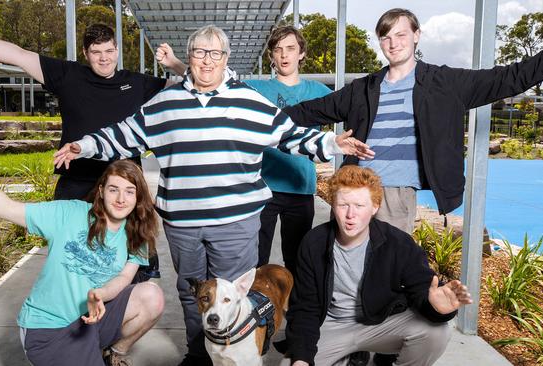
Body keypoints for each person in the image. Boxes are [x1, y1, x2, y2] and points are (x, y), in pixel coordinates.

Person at [54, 25, 374, 366]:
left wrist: (330, 143)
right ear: (189, 56)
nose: (207, 61)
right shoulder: (164, 103)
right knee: (192, 294)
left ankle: (236, 355)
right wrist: (83, 145)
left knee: (234, 296)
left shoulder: (250, 101)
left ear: (226, 58)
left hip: (235, 224)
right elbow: (123, 135)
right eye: (200, 52)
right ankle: (198, 354)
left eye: (215, 53)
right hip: (183, 224)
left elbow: (290, 135)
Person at [281, 8, 543, 235]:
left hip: (395, 194)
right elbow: (310, 111)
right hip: (355, 188)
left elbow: (511, 77)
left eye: (401, 34)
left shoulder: (444, 83)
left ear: (417, 35)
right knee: (342, 266)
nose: (393, 43)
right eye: (386, 37)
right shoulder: (363, 89)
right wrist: (258, 117)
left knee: (385, 271)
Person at [0, 17, 173, 280]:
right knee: (70, 252)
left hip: (125, 182)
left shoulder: (137, 83)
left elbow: (186, 87)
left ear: (117, 51)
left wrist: (174, 63)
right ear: (86, 54)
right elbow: (18, 55)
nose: (104, 58)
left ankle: (129, 300)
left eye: (109, 51)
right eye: (96, 52)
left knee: (134, 255)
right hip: (77, 178)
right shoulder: (68, 75)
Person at [0, 138, 164, 366]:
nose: (121, 199)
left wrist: (101, 294)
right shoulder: (69, 214)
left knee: (151, 296)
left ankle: (114, 353)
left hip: (93, 318)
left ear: (138, 196)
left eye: (129, 191)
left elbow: (124, 277)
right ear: (101, 191)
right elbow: (7, 207)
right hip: (48, 329)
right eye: (114, 189)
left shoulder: (137, 231)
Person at [157, 26, 332, 276]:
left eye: (291, 49)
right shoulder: (254, 89)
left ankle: (295, 312)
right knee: (254, 263)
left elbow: (351, 106)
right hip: (262, 189)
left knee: (298, 259)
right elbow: (210, 78)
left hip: (301, 188)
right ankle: (254, 312)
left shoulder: (319, 92)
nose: (284, 55)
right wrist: (174, 63)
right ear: (271, 55)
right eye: (278, 49)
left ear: (301, 53)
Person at [283, 165, 472, 366]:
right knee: (292, 363)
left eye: (359, 205)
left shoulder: (398, 243)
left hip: (379, 322)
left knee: (437, 332)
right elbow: (305, 307)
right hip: (331, 326)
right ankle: (346, 357)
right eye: (343, 205)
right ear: (332, 204)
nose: (350, 214)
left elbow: (421, 287)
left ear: (375, 207)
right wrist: (301, 358)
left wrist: (436, 308)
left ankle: (383, 360)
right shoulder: (314, 242)